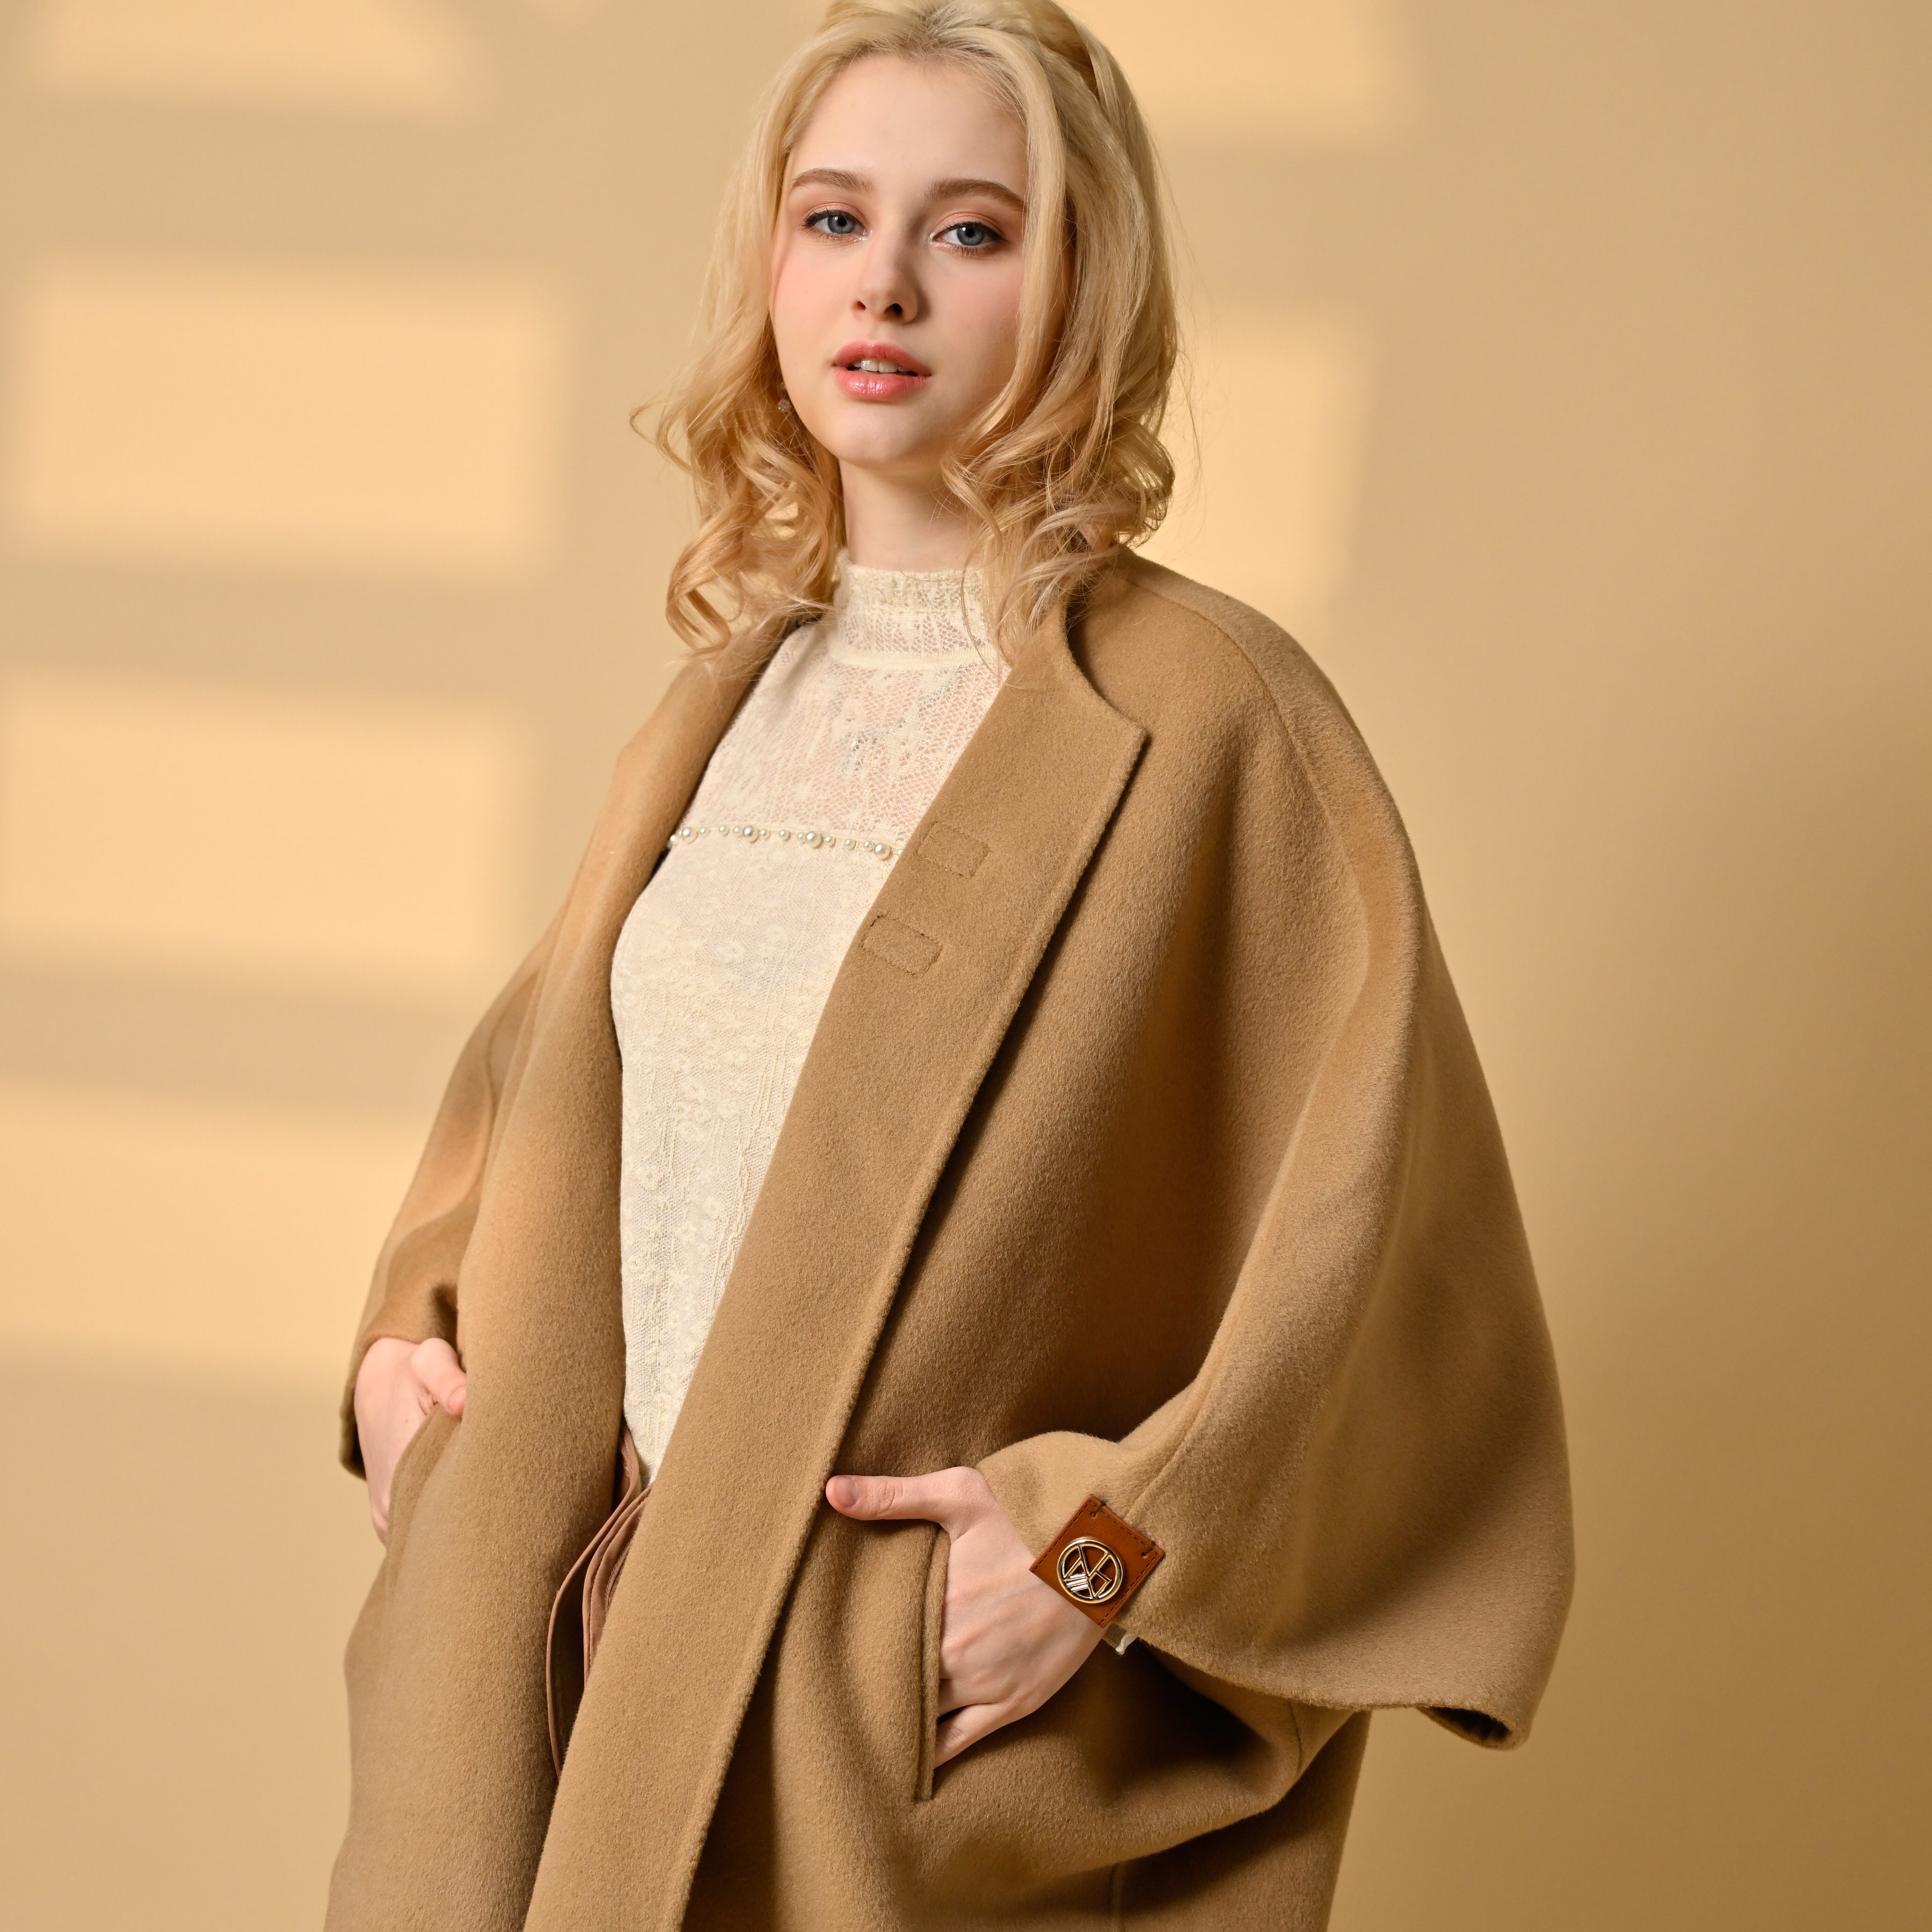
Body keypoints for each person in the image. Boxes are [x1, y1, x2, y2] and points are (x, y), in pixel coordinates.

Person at [329, 4, 1573, 1927]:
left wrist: (1101, 1559)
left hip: (870, 1759)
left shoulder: (1214, 724)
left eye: (971, 230)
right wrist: (402, 1372)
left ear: (1079, 286)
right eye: (833, 218)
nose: (885, 284)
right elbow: (543, 1116)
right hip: (552, 1700)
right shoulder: (724, 700)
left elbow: (1398, 1299)